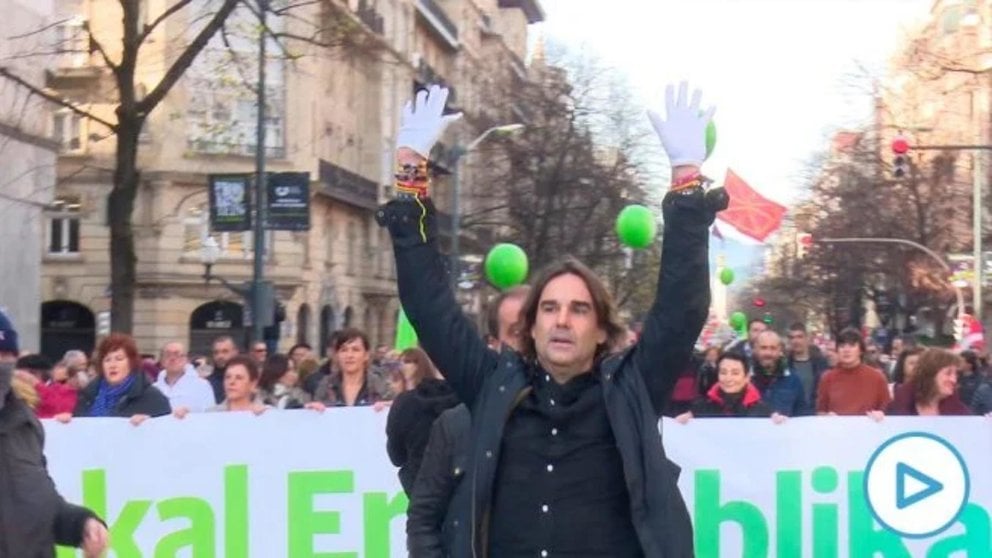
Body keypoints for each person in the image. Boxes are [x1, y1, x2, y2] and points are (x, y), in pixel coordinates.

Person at [378, 82, 723, 557]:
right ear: (531, 326)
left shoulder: (630, 390)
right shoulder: (492, 386)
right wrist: (411, 174)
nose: (563, 320)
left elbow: (682, 307)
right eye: (550, 308)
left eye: (579, 309)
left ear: (601, 329)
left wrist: (687, 182)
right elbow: (429, 307)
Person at [0, 313, 109, 557]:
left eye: (7, 354)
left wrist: (81, 524)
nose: (1, 362)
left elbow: (40, 505)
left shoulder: (25, 424)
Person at [386, 348, 459, 494]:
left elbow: (396, 456)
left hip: (421, 486)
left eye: (407, 362)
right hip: (459, 483)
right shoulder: (461, 398)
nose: (403, 366)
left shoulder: (404, 404)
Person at [62, 333, 171, 425]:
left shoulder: (152, 397)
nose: (112, 365)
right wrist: (67, 422)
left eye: (119, 359)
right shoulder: (88, 396)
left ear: (131, 362)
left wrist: (150, 425)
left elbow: (167, 433)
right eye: (107, 360)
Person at [675, 352, 782, 421]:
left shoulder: (763, 411)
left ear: (747, 377)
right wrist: (683, 421)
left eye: (735, 373)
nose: (728, 378)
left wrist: (781, 423)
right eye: (723, 372)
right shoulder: (700, 408)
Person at [816, 327, 890, 419]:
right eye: (842, 346)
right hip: (836, 431)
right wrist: (827, 417)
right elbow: (821, 412)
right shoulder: (827, 378)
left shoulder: (877, 377)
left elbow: (888, 411)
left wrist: (880, 415)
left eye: (852, 345)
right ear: (837, 350)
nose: (846, 350)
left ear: (861, 350)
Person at [887, 348, 972, 416]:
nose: (954, 380)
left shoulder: (961, 413)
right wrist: (877, 420)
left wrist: (983, 425)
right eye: (948, 373)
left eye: (956, 374)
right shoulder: (898, 405)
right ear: (930, 374)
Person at [155, 342, 216, 417]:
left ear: (186, 359)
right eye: (168, 355)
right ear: (161, 361)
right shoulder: (154, 389)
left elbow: (211, 415)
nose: (172, 358)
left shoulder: (202, 386)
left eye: (177, 354)